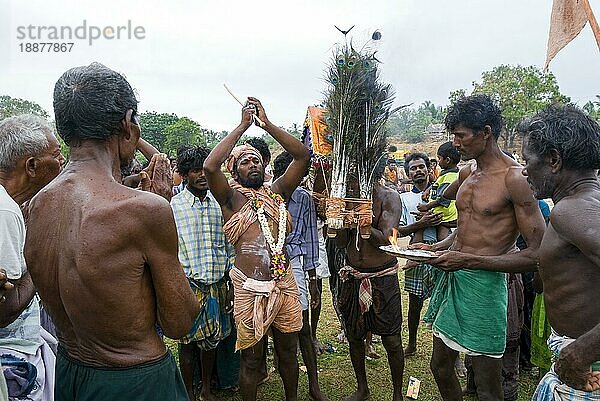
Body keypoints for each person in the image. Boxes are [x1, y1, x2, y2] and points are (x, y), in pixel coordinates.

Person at [24, 63, 199, 401]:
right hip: (135, 381)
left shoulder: (35, 206)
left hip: (70, 372)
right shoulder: (144, 211)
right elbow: (179, 322)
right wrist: (160, 209)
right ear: (128, 126)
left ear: (63, 129)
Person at [420, 95, 545, 401]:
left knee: (488, 387)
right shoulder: (467, 174)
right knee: (440, 366)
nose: (455, 143)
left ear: (486, 133)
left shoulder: (514, 178)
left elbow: (538, 253)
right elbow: (465, 231)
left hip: (485, 287)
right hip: (454, 280)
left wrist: (468, 260)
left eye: (461, 136)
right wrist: (435, 248)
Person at [203, 97, 309, 401]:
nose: (253, 163)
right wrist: (242, 126)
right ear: (234, 171)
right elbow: (210, 167)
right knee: (251, 359)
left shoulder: (277, 192)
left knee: (289, 354)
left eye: (256, 159)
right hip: (250, 289)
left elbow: (302, 157)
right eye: (244, 161)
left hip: (284, 282)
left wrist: (267, 124)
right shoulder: (231, 200)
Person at [519, 104, 600, 399]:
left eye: (527, 160)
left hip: (588, 367)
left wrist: (581, 351)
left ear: (553, 160)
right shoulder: (588, 201)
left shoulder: (572, 210)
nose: (524, 169)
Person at [0, 114, 65, 401]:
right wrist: (42, 253)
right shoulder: (6, 211)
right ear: (32, 166)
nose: (61, 162)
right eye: (56, 155)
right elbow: (7, 308)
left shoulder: (11, 206)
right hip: (12, 358)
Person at [170, 145, 237, 401]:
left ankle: (207, 389)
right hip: (188, 286)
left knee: (212, 340)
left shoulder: (220, 205)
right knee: (187, 343)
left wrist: (230, 283)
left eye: (205, 170)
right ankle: (188, 391)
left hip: (217, 284)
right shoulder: (174, 207)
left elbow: (229, 246)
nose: (201, 176)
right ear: (185, 174)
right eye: (195, 171)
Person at [334, 159, 404, 401]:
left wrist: (362, 220)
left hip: (382, 278)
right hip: (354, 277)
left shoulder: (389, 197)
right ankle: (362, 389)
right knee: (355, 336)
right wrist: (339, 220)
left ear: (370, 172)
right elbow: (342, 242)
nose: (350, 182)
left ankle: (397, 394)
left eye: (355, 175)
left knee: (392, 340)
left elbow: (389, 240)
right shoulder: (346, 199)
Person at [272, 151, 329, 401]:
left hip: (293, 263)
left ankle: (314, 385)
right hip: (266, 265)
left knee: (303, 327)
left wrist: (313, 280)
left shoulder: (304, 198)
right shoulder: (264, 195)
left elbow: (310, 239)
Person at [396, 152, 442, 357]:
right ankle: (412, 343)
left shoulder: (442, 194)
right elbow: (399, 229)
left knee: (443, 302)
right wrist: (421, 224)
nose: (418, 171)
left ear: (429, 168)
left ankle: (448, 352)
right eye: (413, 168)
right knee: (415, 302)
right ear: (408, 173)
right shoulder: (404, 199)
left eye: (421, 166)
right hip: (416, 250)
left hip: (441, 249)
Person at [416, 141, 460, 242]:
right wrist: (429, 189)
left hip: (444, 215)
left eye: (439, 158)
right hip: (441, 212)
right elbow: (437, 184)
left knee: (442, 237)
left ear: (447, 160)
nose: (438, 161)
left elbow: (443, 199)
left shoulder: (449, 177)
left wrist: (427, 207)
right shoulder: (446, 174)